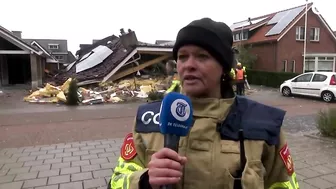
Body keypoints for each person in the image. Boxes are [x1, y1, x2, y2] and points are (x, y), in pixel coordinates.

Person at [108, 18, 299, 189]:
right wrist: (143, 181)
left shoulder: (262, 123)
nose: (189, 64)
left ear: (223, 67)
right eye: (182, 56)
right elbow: (117, 181)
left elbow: (284, 184)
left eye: (202, 56)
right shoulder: (148, 119)